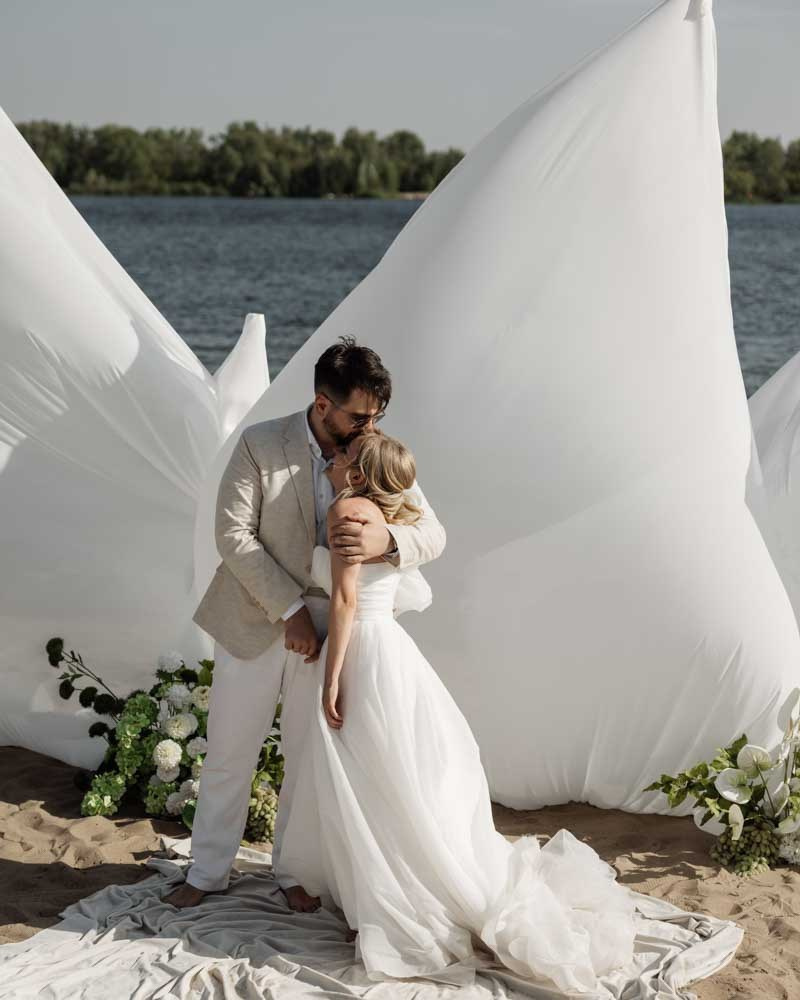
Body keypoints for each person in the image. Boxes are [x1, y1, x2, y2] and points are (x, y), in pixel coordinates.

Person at [274, 430, 641, 992]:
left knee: (370, 777)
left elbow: (346, 600)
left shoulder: (348, 510)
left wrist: (331, 677)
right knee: (392, 776)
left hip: (364, 652)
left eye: (343, 454)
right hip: (392, 651)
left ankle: (391, 901)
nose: (334, 456)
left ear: (356, 473)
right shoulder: (386, 511)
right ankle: (375, 892)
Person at [163, 336, 446, 912]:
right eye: (360, 414)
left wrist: (386, 539)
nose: (370, 425)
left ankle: (292, 871)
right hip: (256, 619)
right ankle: (208, 870)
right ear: (323, 405)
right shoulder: (260, 444)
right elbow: (233, 538)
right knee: (229, 751)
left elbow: (433, 533)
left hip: (338, 633)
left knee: (306, 755)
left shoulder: (373, 451)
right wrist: (291, 612)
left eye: (377, 415)